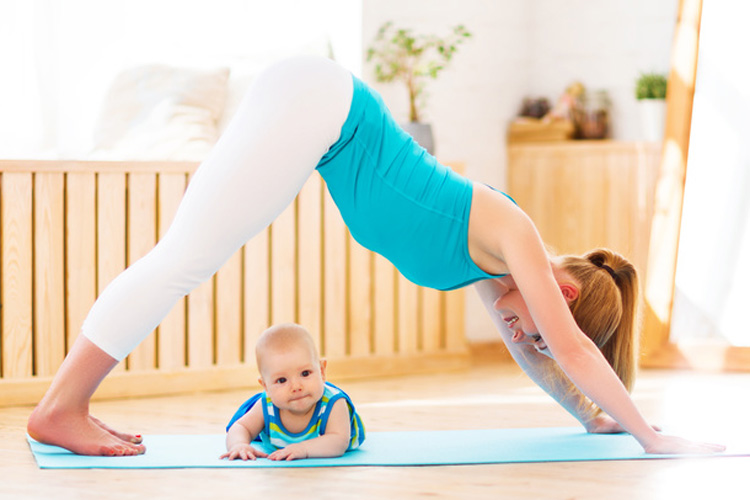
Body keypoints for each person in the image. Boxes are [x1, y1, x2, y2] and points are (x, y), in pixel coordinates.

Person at [27, 56, 724, 457]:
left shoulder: (492, 268)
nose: (521, 333)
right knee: (183, 257)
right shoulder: (517, 237)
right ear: (562, 294)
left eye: (526, 333)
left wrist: (589, 418)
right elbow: (568, 349)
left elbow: (542, 357)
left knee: (184, 255)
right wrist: (649, 438)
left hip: (320, 117)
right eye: (533, 324)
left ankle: (65, 404)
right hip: (324, 105)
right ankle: (62, 407)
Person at [220, 323, 365, 461]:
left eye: (305, 373)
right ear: (266, 387)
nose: (296, 386)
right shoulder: (267, 405)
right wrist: (239, 445)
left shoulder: (333, 404)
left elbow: (338, 442)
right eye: (282, 380)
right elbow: (241, 427)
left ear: (321, 371)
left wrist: (303, 449)